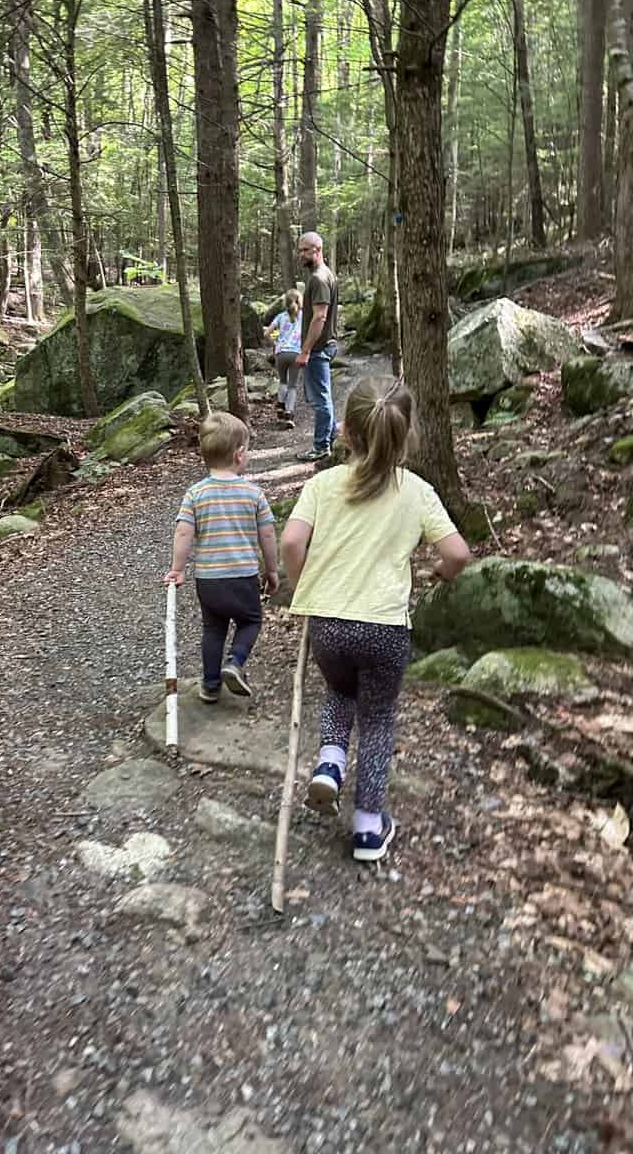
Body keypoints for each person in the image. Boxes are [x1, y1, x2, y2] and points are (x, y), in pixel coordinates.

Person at [280, 378, 472, 861]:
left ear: (345, 432)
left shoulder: (322, 486)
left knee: (340, 691)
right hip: (385, 629)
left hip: (330, 623)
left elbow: (289, 544)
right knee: (379, 719)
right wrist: (439, 572)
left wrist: (309, 585)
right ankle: (367, 827)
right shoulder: (417, 492)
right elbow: (458, 554)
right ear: (404, 437)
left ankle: (329, 762)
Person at [165, 412, 279, 702]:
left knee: (213, 629)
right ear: (239, 455)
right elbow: (267, 535)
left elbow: (183, 534)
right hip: (242, 577)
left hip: (209, 579)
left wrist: (178, 569)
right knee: (251, 621)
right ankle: (235, 662)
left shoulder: (195, 494)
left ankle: (211, 685)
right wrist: (272, 570)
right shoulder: (254, 494)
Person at [295, 232, 340, 462]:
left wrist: (306, 350)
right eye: (300, 250)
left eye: (306, 250)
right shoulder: (322, 275)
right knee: (322, 397)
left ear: (318, 249)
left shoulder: (319, 279)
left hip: (319, 349)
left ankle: (322, 446)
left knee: (321, 399)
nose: (301, 254)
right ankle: (334, 439)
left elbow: (320, 317)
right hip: (322, 347)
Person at [264, 288, 303, 430]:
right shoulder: (303, 317)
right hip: (296, 354)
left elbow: (267, 333)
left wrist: (275, 344)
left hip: (281, 353)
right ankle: (289, 414)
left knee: (283, 381)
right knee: (292, 385)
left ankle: (280, 404)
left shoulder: (280, 317)